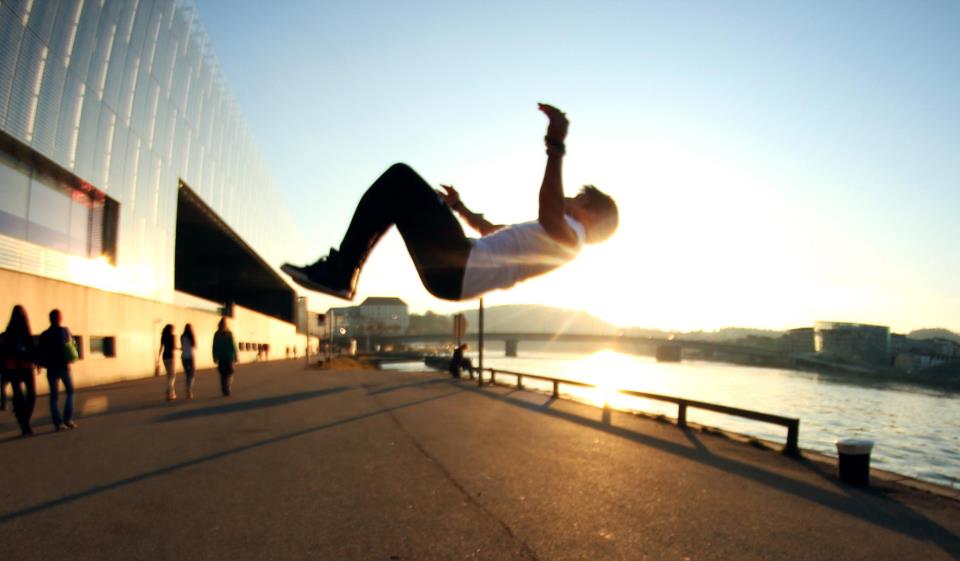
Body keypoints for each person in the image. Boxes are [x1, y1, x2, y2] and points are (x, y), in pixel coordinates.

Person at [282, 103, 618, 301]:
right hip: (452, 274)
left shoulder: (572, 240)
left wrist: (555, 145)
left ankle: (342, 272)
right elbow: (489, 229)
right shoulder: (551, 242)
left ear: (589, 215)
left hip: (458, 265)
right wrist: (458, 206)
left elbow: (549, 213)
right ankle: (342, 271)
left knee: (400, 179)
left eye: (577, 198)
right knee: (397, 194)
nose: (568, 198)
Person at [0, 305, 39, 437]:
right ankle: (25, 424)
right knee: (29, 396)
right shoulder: (22, 331)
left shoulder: (10, 332)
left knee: (21, 397)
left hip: (15, 367)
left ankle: (24, 423)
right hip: (22, 366)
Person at [39, 309, 78, 431]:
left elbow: (41, 352)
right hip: (64, 367)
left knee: (54, 396)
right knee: (70, 391)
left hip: (51, 368)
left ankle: (58, 423)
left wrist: (40, 364)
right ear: (59, 318)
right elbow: (71, 347)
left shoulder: (44, 334)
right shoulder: (65, 331)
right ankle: (68, 420)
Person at [212, 318, 238, 396]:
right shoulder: (225, 334)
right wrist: (214, 356)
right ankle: (226, 388)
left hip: (225, 357)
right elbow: (232, 345)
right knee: (227, 373)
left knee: (226, 373)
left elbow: (232, 345)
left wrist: (215, 356)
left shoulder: (220, 334)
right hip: (226, 357)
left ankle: (226, 387)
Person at [158, 324, 177, 401]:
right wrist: (180, 348)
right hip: (171, 357)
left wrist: (158, 357)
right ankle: (169, 392)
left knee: (169, 375)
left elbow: (161, 347)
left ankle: (172, 393)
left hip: (164, 356)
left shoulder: (163, 336)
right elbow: (174, 347)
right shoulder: (172, 336)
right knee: (172, 376)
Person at [180, 324, 197, 399]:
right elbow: (195, 346)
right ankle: (189, 389)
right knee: (192, 374)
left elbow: (182, 346)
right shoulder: (191, 336)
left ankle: (187, 388)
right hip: (190, 356)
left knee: (187, 374)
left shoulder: (182, 336)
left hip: (184, 357)